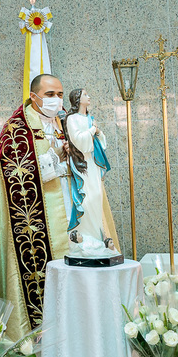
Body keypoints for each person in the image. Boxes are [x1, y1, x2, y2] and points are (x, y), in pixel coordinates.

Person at [0, 74, 119, 338]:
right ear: (34, 96)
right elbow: (19, 174)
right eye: (49, 95)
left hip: (75, 205)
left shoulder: (65, 121)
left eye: (59, 94)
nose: (56, 100)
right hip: (42, 221)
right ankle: (46, 340)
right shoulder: (16, 130)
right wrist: (57, 155)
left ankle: (87, 334)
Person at [62, 88, 118, 256]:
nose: (89, 96)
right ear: (78, 99)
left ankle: (98, 237)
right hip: (82, 163)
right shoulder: (71, 118)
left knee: (97, 197)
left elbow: (100, 142)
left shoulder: (89, 118)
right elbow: (78, 140)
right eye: (86, 94)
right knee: (86, 199)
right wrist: (93, 130)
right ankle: (85, 237)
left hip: (93, 163)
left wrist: (98, 132)